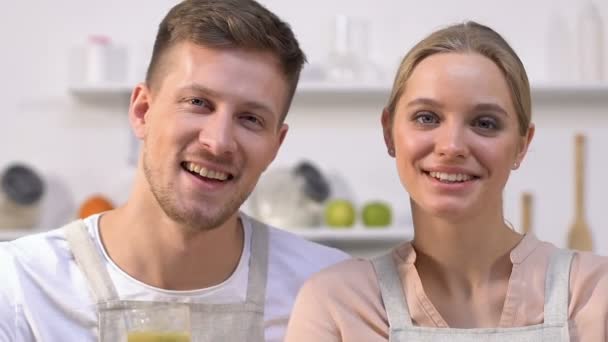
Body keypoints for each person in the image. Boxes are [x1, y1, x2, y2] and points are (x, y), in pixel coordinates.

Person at [0, 0, 349, 341]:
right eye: (197, 102)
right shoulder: (20, 288)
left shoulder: (328, 291)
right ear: (142, 111)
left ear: (276, 145)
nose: (218, 141)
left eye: (251, 119)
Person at [285, 21, 608, 341]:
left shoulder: (594, 293)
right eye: (427, 118)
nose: (451, 146)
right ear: (389, 132)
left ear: (521, 146)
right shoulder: (338, 303)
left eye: (485, 123)